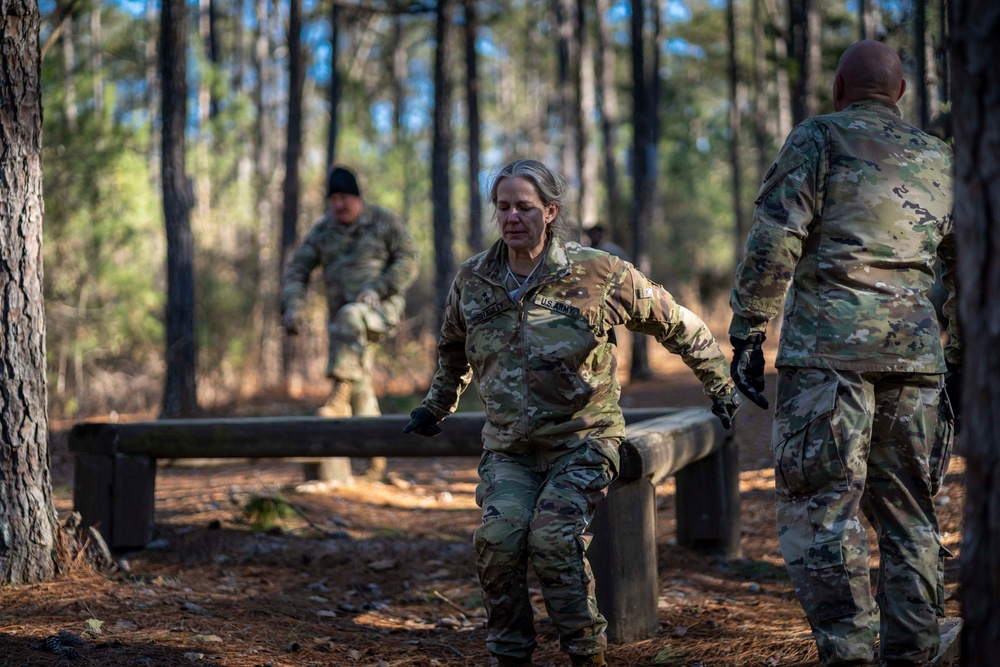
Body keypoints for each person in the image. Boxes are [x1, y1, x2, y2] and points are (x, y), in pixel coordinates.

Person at [404, 159, 740, 667]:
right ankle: (510, 654)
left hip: (583, 440)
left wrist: (720, 384)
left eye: (525, 207)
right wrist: (436, 406)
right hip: (510, 448)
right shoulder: (474, 279)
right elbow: (453, 348)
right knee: (498, 540)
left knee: (554, 540)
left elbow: (678, 324)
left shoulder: (598, 272)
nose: (513, 217)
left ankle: (586, 654)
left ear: (551, 211)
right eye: (503, 207)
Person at [728, 41, 958, 667]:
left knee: (823, 511)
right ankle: (914, 652)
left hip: (829, 362)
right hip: (915, 362)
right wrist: (954, 361)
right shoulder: (942, 159)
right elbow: (967, 270)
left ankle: (849, 654)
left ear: (838, 88)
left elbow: (777, 234)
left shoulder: (818, 138)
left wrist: (749, 328)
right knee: (909, 512)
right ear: (901, 93)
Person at [281, 165, 419, 481]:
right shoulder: (322, 231)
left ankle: (338, 393)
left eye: (345, 198)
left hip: (379, 310)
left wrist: (379, 287)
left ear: (357, 197)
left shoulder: (383, 222)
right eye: (334, 199)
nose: (340, 205)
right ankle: (376, 463)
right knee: (361, 382)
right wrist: (292, 307)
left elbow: (409, 258)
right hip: (345, 329)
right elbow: (297, 271)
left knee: (351, 315)